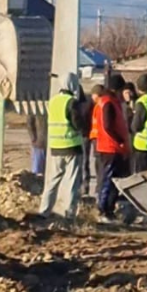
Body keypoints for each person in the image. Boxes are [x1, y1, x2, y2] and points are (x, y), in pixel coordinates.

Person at [37, 73, 91, 219]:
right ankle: (69, 213)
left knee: (52, 181)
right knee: (72, 181)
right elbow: (77, 123)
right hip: (72, 146)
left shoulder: (53, 101)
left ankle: (44, 211)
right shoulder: (72, 102)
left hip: (55, 147)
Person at [91, 74, 133, 220]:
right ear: (117, 89)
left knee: (115, 181)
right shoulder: (108, 103)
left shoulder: (109, 101)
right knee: (108, 181)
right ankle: (103, 210)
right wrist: (119, 139)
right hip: (110, 148)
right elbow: (108, 126)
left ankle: (109, 209)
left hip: (114, 148)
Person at [25, 109, 48, 175]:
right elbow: (29, 123)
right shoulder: (35, 107)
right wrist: (33, 138)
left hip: (50, 143)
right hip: (39, 143)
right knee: (37, 170)